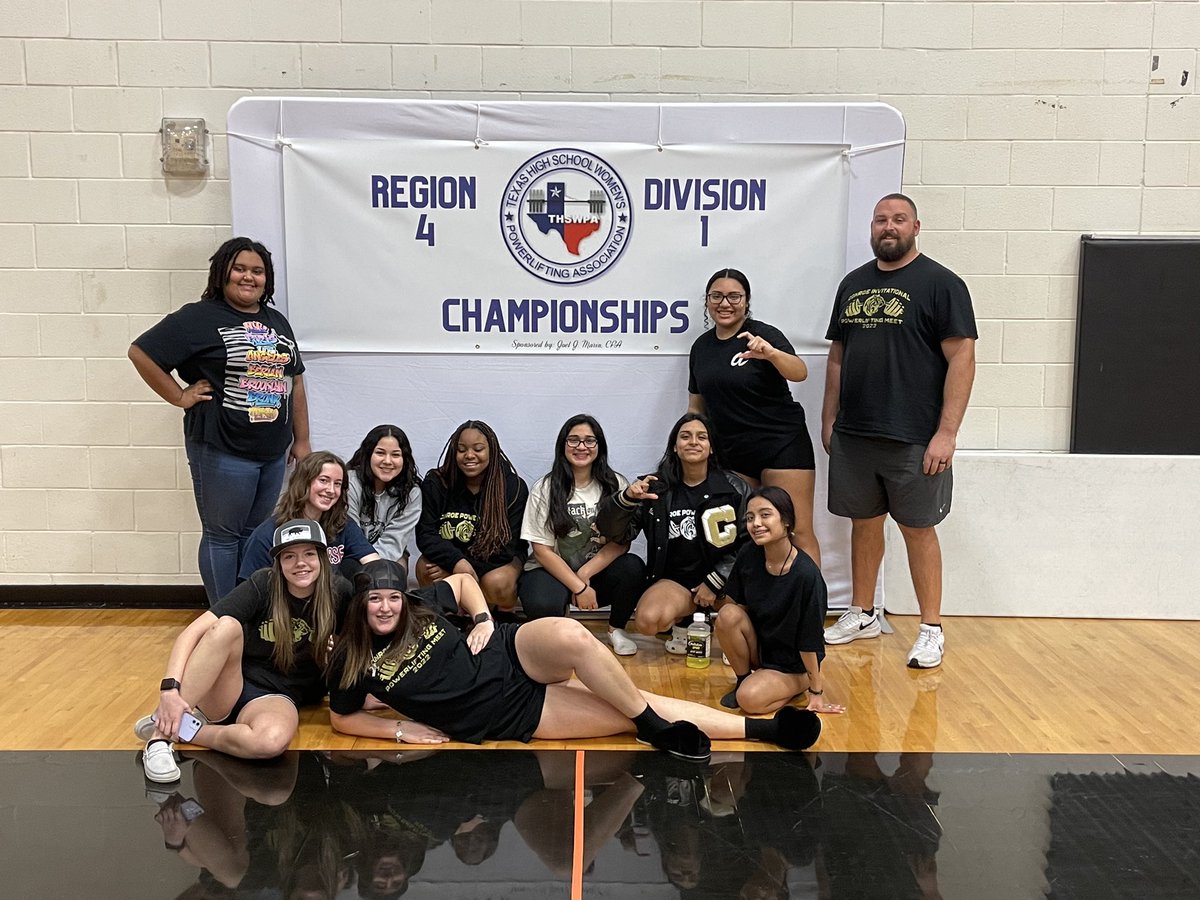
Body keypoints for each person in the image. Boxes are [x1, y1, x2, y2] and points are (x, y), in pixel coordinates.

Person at [324, 559, 822, 762]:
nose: (386, 607)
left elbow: (461, 580)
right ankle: (767, 732)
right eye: (375, 601)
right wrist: (397, 731)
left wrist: (480, 619)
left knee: (571, 632)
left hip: (507, 651)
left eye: (392, 597)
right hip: (501, 712)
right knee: (628, 708)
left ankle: (650, 725)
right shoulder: (350, 659)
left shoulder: (419, 603)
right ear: (359, 607)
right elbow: (341, 716)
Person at [821, 193, 977, 669]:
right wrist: (829, 417)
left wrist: (946, 433)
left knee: (917, 529)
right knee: (863, 525)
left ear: (916, 227)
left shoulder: (942, 284)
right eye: (881, 220)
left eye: (899, 220)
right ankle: (862, 612)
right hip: (856, 433)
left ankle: (931, 628)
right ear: (872, 228)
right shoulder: (852, 285)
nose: (889, 227)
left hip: (915, 437)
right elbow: (838, 358)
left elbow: (962, 358)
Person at [129, 237, 310, 603]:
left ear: (267, 278)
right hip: (222, 449)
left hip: (273, 452)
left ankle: (246, 612)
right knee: (223, 536)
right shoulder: (198, 317)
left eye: (257, 271)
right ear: (222, 273)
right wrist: (179, 396)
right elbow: (140, 352)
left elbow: (295, 382)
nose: (249, 277)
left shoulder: (277, 322)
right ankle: (223, 618)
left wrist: (301, 440)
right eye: (239, 269)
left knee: (254, 535)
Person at [135, 519, 352, 783]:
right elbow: (191, 633)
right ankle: (160, 739)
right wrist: (169, 691)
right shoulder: (264, 584)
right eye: (289, 556)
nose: (300, 563)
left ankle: (184, 729)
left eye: (309, 553)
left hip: (277, 697)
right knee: (225, 626)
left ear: (323, 557)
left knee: (270, 745)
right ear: (279, 563)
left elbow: (358, 647)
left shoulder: (339, 592)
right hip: (229, 686)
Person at [688, 267, 821, 566]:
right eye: (717, 296)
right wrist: (692, 443)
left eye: (734, 296)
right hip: (733, 453)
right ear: (707, 302)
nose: (725, 303)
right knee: (740, 531)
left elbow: (800, 372)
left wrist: (771, 354)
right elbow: (696, 407)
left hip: (782, 445)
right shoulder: (701, 347)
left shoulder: (763, 335)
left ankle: (810, 608)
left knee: (795, 529)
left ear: (747, 301)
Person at [596, 412, 751, 654]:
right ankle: (688, 620)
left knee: (750, 612)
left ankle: (722, 629)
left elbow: (750, 544)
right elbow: (615, 533)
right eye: (685, 436)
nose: (693, 442)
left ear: (711, 448)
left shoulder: (735, 488)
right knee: (648, 621)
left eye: (702, 437)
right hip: (678, 582)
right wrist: (626, 500)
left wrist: (716, 580)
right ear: (675, 447)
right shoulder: (654, 488)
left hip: (726, 580)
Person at [518, 414, 645, 655]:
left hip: (595, 572)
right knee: (541, 601)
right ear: (562, 445)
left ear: (599, 446)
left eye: (589, 441)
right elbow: (542, 551)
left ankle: (615, 629)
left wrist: (585, 575)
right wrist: (577, 587)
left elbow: (621, 542)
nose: (581, 447)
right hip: (552, 571)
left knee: (633, 567)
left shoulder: (617, 484)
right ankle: (561, 625)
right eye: (573, 440)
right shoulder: (545, 487)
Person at [715, 486, 846, 716]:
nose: (756, 523)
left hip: (793, 663)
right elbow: (738, 609)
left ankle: (799, 684)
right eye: (750, 517)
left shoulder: (806, 575)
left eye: (765, 515)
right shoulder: (749, 553)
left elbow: (809, 641)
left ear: (786, 521)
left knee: (750, 700)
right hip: (763, 649)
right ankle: (743, 679)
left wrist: (816, 691)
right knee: (727, 614)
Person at [415, 420, 529, 611]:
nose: (469, 455)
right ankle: (446, 617)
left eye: (478, 449)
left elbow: (507, 547)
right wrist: (455, 563)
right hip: (453, 559)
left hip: (498, 561)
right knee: (426, 568)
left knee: (497, 583)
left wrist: (465, 570)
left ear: (492, 451)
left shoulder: (513, 487)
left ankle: (495, 614)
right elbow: (426, 534)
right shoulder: (436, 482)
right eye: (461, 449)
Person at [238, 451, 379, 583]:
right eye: (323, 480)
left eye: (337, 484)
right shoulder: (268, 533)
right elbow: (250, 589)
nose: (331, 490)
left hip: (329, 602)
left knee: (353, 568)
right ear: (303, 483)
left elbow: (374, 563)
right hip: (282, 604)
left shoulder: (342, 524)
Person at [346, 424, 423, 575]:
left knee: (393, 574)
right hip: (351, 554)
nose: (388, 461)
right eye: (380, 453)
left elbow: (393, 542)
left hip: (390, 556)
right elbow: (351, 534)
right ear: (368, 455)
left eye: (395, 455)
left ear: (404, 459)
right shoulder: (350, 483)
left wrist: (375, 569)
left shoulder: (412, 493)